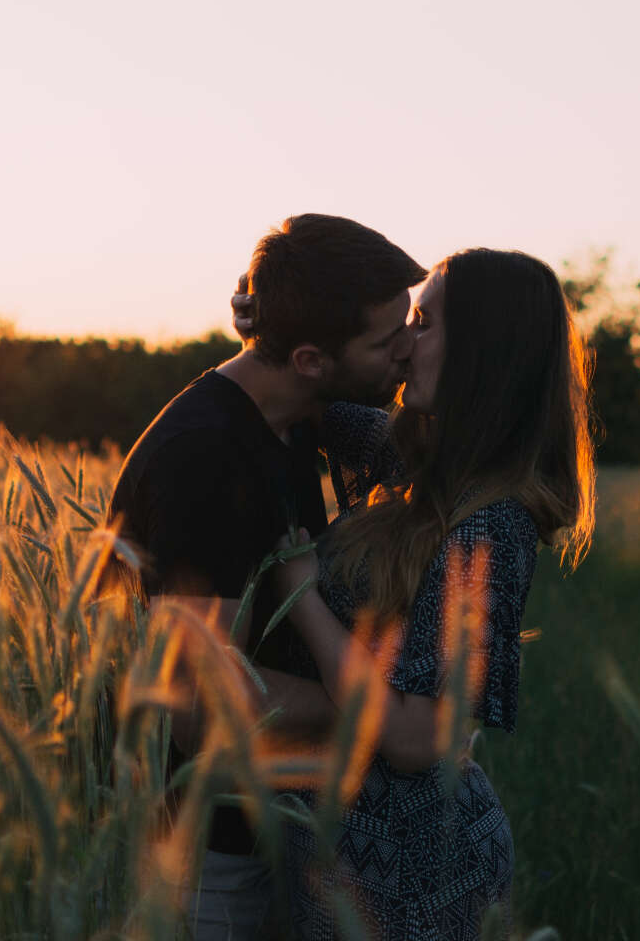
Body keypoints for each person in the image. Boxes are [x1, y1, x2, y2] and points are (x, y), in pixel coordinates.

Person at [103, 213, 427, 940]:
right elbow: (197, 699)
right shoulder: (206, 461)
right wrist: (383, 719)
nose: (407, 349)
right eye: (387, 339)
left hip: (280, 826)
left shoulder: (297, 413)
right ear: (312, 358)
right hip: (204, 854)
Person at [260, 248, 596, 940]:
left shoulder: (492, 523)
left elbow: (417, 737)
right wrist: (268, 321)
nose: (403, 344)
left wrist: (304, 598)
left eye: (422, 323)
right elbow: (319, 390)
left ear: (480, 353)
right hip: (345, 851)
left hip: (415, 872)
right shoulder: (421, 472)